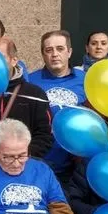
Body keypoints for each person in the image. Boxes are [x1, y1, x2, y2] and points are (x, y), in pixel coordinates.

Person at [26, 30, 86, 179]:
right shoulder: (30, 81)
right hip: (41, 161)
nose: (54, 54)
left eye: (60, 48)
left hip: (77, 163)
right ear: (43, 54)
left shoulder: (86, 81)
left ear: (69, 52)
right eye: (49, 50)